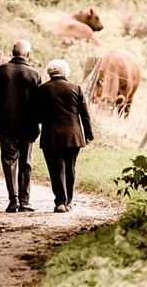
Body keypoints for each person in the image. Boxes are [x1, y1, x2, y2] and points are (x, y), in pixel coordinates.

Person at [0, 40, 41, 213]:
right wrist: (39, 123)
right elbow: (39, 104)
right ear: (28, 55)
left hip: (6, 125)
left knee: (9, 161)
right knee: (26, 162)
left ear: (12, 52)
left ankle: (13, 200)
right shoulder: (34, 74)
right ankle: (25, 202)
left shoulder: (2, 71)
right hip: (28, 126)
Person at [36, 59, 94, 213]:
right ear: (66, 72)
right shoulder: (76, 88)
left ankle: (60, 201)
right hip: (73, 136)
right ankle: (68, 201)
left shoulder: (42, 89)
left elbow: (37, 115)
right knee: (70, 168)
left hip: (51, 136)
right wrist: (88, 134)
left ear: (50, 72)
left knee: (56, 169)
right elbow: (85, 115)